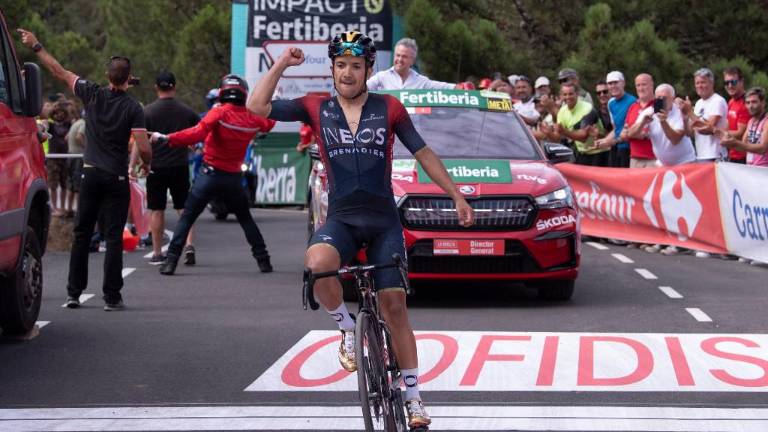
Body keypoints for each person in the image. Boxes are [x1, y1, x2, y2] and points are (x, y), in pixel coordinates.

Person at [247, 31, 474, 429]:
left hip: (384, 220)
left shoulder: (389, 107)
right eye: (340, 66)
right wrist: (282, 63)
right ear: (332, 70)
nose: (347, 73)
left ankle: (414, 398)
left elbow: (423, 153)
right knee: (317, 264)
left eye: (355, 66)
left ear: (369, 70)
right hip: (343, 219)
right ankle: (347, 329)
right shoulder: (314, 106)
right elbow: (256, 106)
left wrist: (455, 194)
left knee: (395, 307)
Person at [18, 29, 152, 311]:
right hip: (116, 176)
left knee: (81, 233)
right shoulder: (133, 107)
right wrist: (146, 164)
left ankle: (73, 293)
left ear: (106, 75)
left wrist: (37, 45)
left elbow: (59, 71)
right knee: (113, 236)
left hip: (90, 172)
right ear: (129, 79)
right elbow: (143, 144)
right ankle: (112, 297)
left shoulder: (92, 93)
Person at [152, 74, 276, 276]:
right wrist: (271, 100)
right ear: (243, 93)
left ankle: (170, 262)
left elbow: (196, 133)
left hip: (209, 176)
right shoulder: (252, 117)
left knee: (187, 218)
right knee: (246, 219)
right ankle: (264, 261)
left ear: (222, 92)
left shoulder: (218, 112)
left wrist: (167, 138)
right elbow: (270, 123)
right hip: (234, 178)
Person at [143, 71, 201, 265]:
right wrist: (193, 144)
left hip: (156, 166)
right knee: (184, 208)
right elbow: (200, 129)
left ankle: (158, 252)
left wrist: (138, 162)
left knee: (157, 210)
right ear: (174, 87)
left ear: (156, 88)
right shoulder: (185, 111)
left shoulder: (147, 112)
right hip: (180, 165)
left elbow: (139, 140)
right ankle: (189, 245)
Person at [366, 37, 456, 90]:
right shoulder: (381, 77)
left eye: (404, 56)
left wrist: (458, 87)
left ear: (412, 60)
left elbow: (442, 87)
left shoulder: (421, 81)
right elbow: (362, 89)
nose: (400, 59)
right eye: (398, 55)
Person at [552, 83, 609, 166]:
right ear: (561, 96)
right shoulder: (562, 111)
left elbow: (583, 137)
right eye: (565, 94)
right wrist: (548, 133)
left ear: (577, 94)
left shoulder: (587, 108)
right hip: (582, 153)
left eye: (571, 94)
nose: (568, 97)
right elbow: (557, 138)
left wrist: (564, 131)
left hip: (600, 153)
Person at [594, 71, 636, 168]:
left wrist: (611, 141)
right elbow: (616, 129)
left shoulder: (633, 102)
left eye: (615, 82)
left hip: (629, 149)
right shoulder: (611, 103)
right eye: (610, 83)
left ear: (623, 83)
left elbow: (632, 131)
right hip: (616, 149)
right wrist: (604, 141)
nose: (613, 86)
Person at [687, 68, 728, 161]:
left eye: (703, 82)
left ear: (712, 83)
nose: (699, 86)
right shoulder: (698, 103)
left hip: (715, 155)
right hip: (701, 155)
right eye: (697, 83)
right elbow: (691, 133)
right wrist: (684, 116)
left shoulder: (718, 101)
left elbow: (708, 128)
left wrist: (689, 112)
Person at [622, 73, 657, 168]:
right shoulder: (633, 107)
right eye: (638, 85)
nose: (641, 88)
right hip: (635, 159)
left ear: (652, 85)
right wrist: (637, 134)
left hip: (654, 159)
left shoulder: (659, 105)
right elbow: (624, 135)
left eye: (644, 84)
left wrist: (634, 133)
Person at [46, 100, 73, 217]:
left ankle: (62, 207)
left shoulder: (69, 125)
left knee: (64, 184)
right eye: (56, 113)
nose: (59, 115)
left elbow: (74, 114)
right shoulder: (50, 125)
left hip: (65, 158)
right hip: (53, 158)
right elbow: (44, 124)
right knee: (53, 184)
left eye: (61, 113)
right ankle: (54, 207)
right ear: (53, 114)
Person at [723, 66, 750, 164]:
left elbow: (740, 133)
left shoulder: (747, 102)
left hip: (744, 156)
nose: (729, 86)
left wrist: (715, 131)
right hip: (731, 154)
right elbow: (728, 125)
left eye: (733, 82)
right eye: (726, 83)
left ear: (741, 81)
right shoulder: (731, 101)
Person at [65, 108, 86, 218]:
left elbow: (66, 137)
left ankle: (68, 209)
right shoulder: (84, 123)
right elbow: (79, 137)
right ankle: (78, 211)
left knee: (71, 184)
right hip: (78, 157)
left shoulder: (76, 123)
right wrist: (87, 148)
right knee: (78, 185)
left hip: (70, 155)